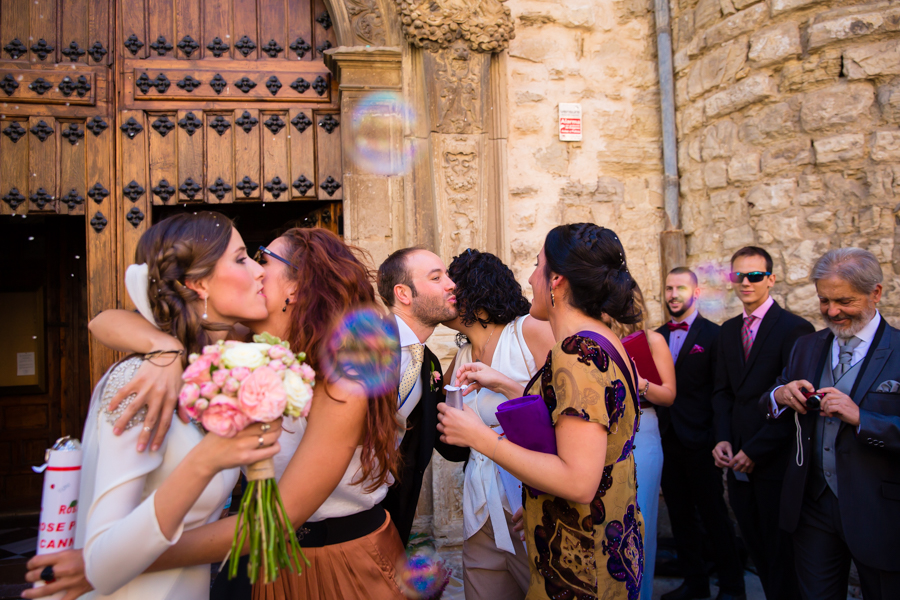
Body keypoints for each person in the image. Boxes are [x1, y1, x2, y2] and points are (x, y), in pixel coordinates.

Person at [30, 228, 407, 600]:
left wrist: (115, 562)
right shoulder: (242, 342)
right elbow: (102, 321)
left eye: (263, 258)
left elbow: (277, 519)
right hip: (267, 560)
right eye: (246, 259)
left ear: (297, 286)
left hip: (341, 561)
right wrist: (163, 348)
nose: (256, 270)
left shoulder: (343, 377)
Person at [24, 212, 283, 600]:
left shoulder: (225, 371)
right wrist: (205, 461)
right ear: (198, 284)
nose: (260, 271)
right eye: (242, 257)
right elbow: (100, 562)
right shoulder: (140, 383)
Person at [438, 223, 645, 600]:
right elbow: (578, 427)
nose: (531, 278)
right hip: (607, 531)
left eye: (538, 267)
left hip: (581, 556)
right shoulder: (604, 339)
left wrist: (480, 438)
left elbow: (578, 481)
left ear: (557, 282)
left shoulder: (576, 353)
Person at [763, 248, 900, 600]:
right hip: (812, 506)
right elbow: (772, 394)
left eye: (844, 301)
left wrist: (861, 418)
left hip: (880, 510)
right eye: (824, 300)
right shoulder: (806, 346)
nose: (832, 311)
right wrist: (780, 394)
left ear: (876, 293)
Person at [442, 249, 555, 600]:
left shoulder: (528, 333)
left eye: (451, 286)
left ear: (476, 296)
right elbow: (447, 433)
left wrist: (503, 383)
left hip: (531, 501)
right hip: (480, 507)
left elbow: (566, 411)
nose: (444, 291)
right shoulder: (459, 358)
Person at [710, 247, 813, 600]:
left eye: (754, 275)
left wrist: (755, 450)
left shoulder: (796, 329)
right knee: (755, 547)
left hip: (775, 462)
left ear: (770, 278)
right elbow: (723, 393)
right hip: (736, 460)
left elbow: (797, 403)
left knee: (782, 554)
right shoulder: (727, 331)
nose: (745, 282)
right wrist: (722, 439)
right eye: (738, 276)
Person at [655, 267, 746, 600]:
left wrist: (719, 436)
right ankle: (695, 585)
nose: (673, 295)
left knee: (715, 517)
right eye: (668, 288)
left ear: (695, 293)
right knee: (680, 517)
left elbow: (722, 391)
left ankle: (733, 587)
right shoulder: (656, 335)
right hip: (668, 439)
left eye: (680, 288)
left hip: (703, 441)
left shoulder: (715, 335)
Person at [376, 247, 472, 546]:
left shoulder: (428, 362)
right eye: (436, 277)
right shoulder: (367, 346)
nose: (451, 284)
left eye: (448, 275)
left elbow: (444, 444)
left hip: (389, 517)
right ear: (404, 294)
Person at [604, 283, 676, 600]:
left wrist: (639, 382)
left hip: (642, 430)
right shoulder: (593, 341)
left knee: (640, 520)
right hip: (604, 432)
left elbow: (669, 395)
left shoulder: (652, 340)